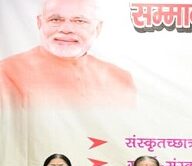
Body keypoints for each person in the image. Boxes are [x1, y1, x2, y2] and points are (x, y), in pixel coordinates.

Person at [0, 0, 136, 107]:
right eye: (55, 20)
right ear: (40, 23)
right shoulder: (6, 72)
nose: (66, 29)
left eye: (79, 21)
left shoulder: (120, 79)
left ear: (97, 28)